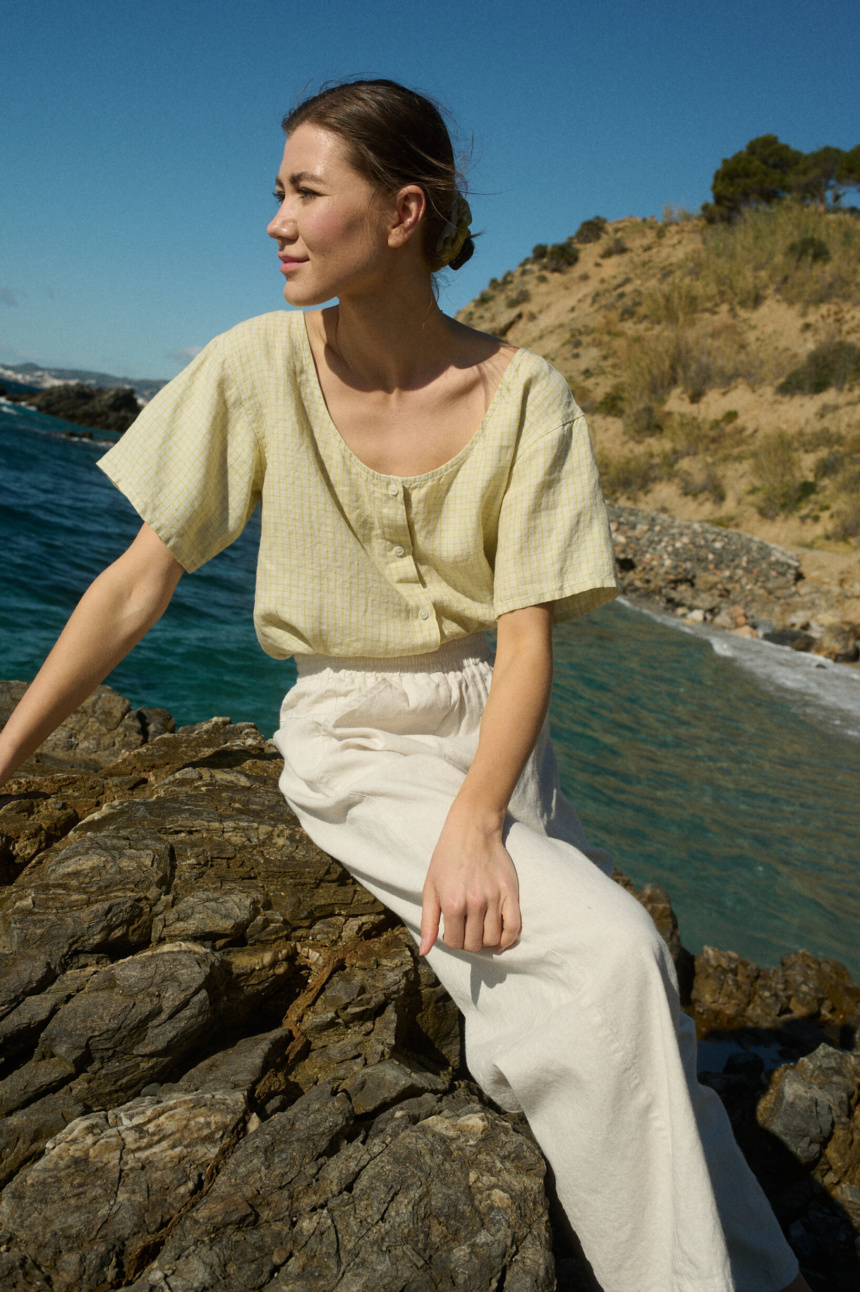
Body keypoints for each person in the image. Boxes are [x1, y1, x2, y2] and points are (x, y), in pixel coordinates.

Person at [0, 79, 809, 1292]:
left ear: (400, 212)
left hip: (497, 734)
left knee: (621, 1005)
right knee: (610, 960)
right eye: (275, 192)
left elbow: (526, 636)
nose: (274, 220)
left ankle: (761, 1272)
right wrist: (7, 751)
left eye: (304, 192)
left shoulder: (524, 392)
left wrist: (480, 818)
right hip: (354, 737)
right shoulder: (253, 365)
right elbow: (135, 582)